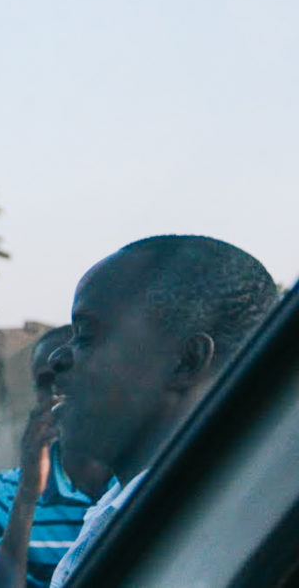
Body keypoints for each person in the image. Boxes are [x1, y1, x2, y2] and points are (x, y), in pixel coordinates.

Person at [46, 235, 277, 587]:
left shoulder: (214, 537)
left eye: (86, 335)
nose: (57, 358)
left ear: (186, 361)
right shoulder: (120, 510)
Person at [0, 326, 113, 588]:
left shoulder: (136, 477)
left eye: (70, 376)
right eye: (45, 383)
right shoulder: (5, 491)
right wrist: (28, 493)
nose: (56, 394)